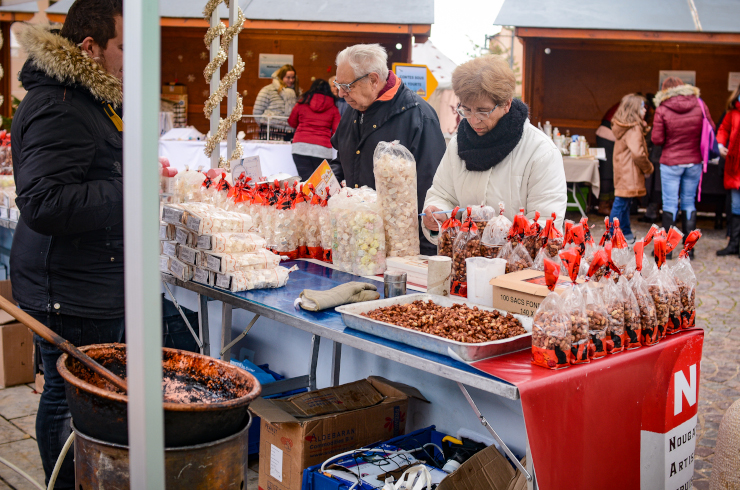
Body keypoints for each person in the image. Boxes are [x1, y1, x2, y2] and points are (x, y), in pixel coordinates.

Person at [11, 0, 124, 487]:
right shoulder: (61, 102)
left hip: (84, 274)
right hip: (68, 283)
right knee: (66, 396)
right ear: (90, 48)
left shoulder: (85, 96)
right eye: (124, 47)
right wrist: (130, 188)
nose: (132, 59)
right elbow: (44, 201)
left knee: (73, 392)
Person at [421, 55, 567, 239]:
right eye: (466, 109)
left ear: (506, 104)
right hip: (465, 263)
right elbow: (442, 194)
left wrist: (499, 237)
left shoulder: (541, 152)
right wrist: (439, 214)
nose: (473, 120)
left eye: (482, 111)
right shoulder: (458, 144)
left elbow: (547, 224)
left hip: (518, 265)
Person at [331, 44, 446, 255]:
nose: (340, 93)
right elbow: (342, 160)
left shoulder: (419, 116)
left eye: (347, 86)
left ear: (374, 80)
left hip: (399, 249)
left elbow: (432, 188)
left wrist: (426, 253)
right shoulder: (354, 109)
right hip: (356, 242)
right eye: (338, 84)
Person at [652, 77, 715, 257]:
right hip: (694, 161)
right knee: (689, 202)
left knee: (670, 203)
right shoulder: (699, 104)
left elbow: (657, 139)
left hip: (671, 162)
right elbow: (710, 127)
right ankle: (689, 250)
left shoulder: (662, 108)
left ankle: (666, 250)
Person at [609, 94, 654, 243]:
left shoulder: (624, 126)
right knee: (621, 203)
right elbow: (638, 153)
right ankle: (610, 235)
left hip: (624, 170)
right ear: (635, 109)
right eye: (643, 107)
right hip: (630, 172)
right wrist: (648, 168)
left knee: (626, 203)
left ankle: (626, 233)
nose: (645, 110)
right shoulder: (633, 128)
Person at [288, 79, 341, 181]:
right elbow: (337, 131)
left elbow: (292, 122)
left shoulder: (302, 102)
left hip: (300, 147)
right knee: (319, 184)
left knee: (305, 181)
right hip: (323, 149)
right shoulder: (333, 107)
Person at [716, 84, 740, 256]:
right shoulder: (732, 113)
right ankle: (734, 244)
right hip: (734, 166)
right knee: (736, 207)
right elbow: (723, 129)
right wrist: (719, 145)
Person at [253, 64, 299, 141]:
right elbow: (257, 112)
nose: (291, 80)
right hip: (270, 130)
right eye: (288, 77)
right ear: (281, 77)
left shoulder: (297, 92)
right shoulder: (268, 90)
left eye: (293, 77)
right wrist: (266, 123)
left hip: (289, 131)